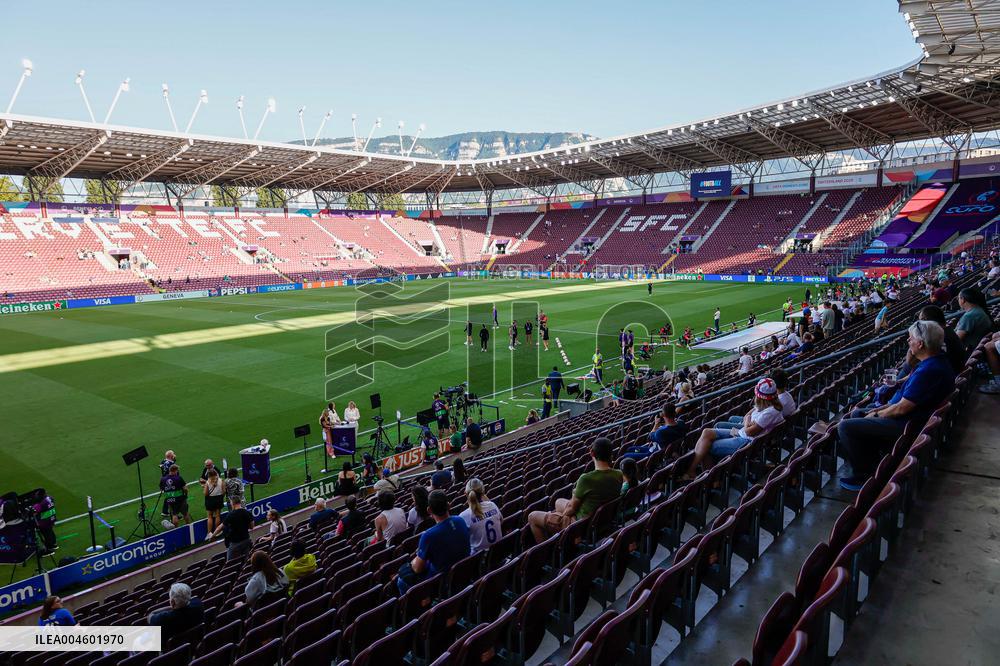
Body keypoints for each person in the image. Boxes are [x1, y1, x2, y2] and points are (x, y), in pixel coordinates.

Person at [838, 320, 955, 490]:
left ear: (920, 344)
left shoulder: (929, 370)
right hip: (910, 418)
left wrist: (877, 414)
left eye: (911, 339)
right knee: (857, 414)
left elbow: (902, 408)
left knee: (845, 426)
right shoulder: (935, 361)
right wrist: (880, 408)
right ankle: (873, 462)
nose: (908, 342)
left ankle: (864, 477)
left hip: (908, 424)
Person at [684, 378, 785, 478]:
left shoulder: (770, 412)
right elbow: (748, 415)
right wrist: (748, 421)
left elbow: (749, 431)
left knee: (706, 447)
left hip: (746, 441)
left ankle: (711, 479)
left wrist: (747, 422)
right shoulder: (768, 404)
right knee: (707, 432)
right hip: (742, 434)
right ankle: (692, 470)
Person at [528, 437, 623, 543]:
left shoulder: (586, 479)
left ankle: (546, 551)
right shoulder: (618, 474)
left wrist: (562, 516)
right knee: (558, 501)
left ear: (591, 453)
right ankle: (561, 538)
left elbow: (571, 508)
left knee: (532, 516)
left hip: (581, 525)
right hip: (600, 518)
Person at [396, 490, 470, 594]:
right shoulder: (460, 520)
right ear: (448, 506)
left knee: (401, 581)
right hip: (463, 572)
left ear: (429, 510)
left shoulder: (428, 535)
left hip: (441, 582)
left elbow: (417, 569)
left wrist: (413, 561)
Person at [460, 478, 503, 554]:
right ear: (483, 492)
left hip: (479, 561)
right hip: (499, 552)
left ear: (465, 493)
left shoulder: (463, 516)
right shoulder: (492, 505)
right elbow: (501, 521)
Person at [955, 287, 993, 353]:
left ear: (962, 300)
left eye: (958, 298)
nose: (958, 300)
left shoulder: (969, 316)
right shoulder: (978, 310)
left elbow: (956, 340)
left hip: (970, 352)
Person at [31, 489, 57, 554]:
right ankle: (54, 544)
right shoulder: (49, 498)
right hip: (51, 518)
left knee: (46, 535)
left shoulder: (41, 504)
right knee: (50, 531)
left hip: (44, 521)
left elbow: (33, 512)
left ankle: (49, 549)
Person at [203, 468, 224, 536]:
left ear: (209, 475)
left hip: (210, 500)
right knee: (218, 516)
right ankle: (217, 532)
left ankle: (209, 533)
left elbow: (205, 493)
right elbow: (224, 491)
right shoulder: (221, 480)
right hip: (219, 499)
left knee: (210, 516)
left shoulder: (208, 482)